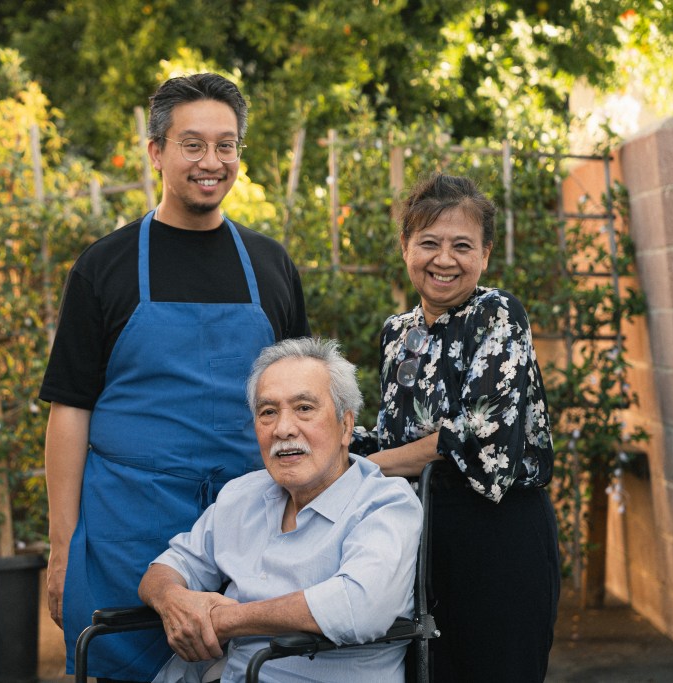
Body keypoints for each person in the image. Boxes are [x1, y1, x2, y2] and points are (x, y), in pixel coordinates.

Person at [39, 73, 311, 682]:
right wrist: (62, 549)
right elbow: (69, 411)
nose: (211, 162)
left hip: (251, 527)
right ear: (157, 152)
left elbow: (304, 400)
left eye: (227, 145)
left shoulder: (271, 265)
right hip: (126, 532)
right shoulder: (103, 267)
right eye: (192, 145)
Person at [351, 173, 561, 682]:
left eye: (461, 246)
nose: (444, 259)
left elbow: (474, 436)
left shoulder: (498, 314)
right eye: (428, 243)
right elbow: (391, 434)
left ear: (485, 254)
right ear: (406, 247)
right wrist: (326, 449)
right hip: (418, 535)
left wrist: (361, 469)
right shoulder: (396, 333)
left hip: (497, 536)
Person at [138, 337, 423, 683]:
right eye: (268, 412)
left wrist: (227, 619)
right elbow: (168, 567)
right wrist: (173, 602)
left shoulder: (384, 503)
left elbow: (359, 605)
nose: (283, 429)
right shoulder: (242, 495)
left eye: (304, 408)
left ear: (346, 426)